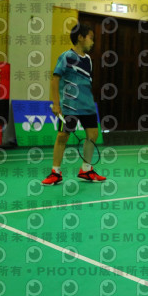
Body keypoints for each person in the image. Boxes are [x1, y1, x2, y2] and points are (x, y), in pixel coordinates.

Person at [42, 24, 106, 185]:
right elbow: (55, 79)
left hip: (87, 105)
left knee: (92, 135)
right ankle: (55, 172)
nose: (93, 42)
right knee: (63, 136)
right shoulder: (66, 56)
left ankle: (86, 170)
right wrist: (56, 104)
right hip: (70, 105)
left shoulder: (88, 60)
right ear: (80, 37)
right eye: (91, 38)